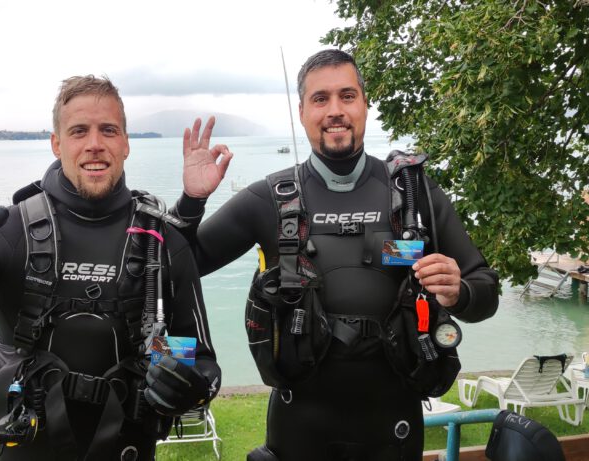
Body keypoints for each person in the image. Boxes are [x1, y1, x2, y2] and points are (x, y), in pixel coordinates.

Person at [173, 50, 500, 460]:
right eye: (320, 99)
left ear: (365, 103)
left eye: (347, 96)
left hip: (393, 429)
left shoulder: (415, 196)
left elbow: (485, 291)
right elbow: (179, 266)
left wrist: (458, 292)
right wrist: (191, 201)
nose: (335, 111)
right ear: (302, 111)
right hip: (299, 430)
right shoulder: (268, 199)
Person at [0, 76, 221, 461]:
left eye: (108, 130)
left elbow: (202, 362)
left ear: (126, 143)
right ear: (57, 144)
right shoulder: (9, 234)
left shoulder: (160, 242)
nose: (95, 143)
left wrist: (184, 383)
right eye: (79, 131)